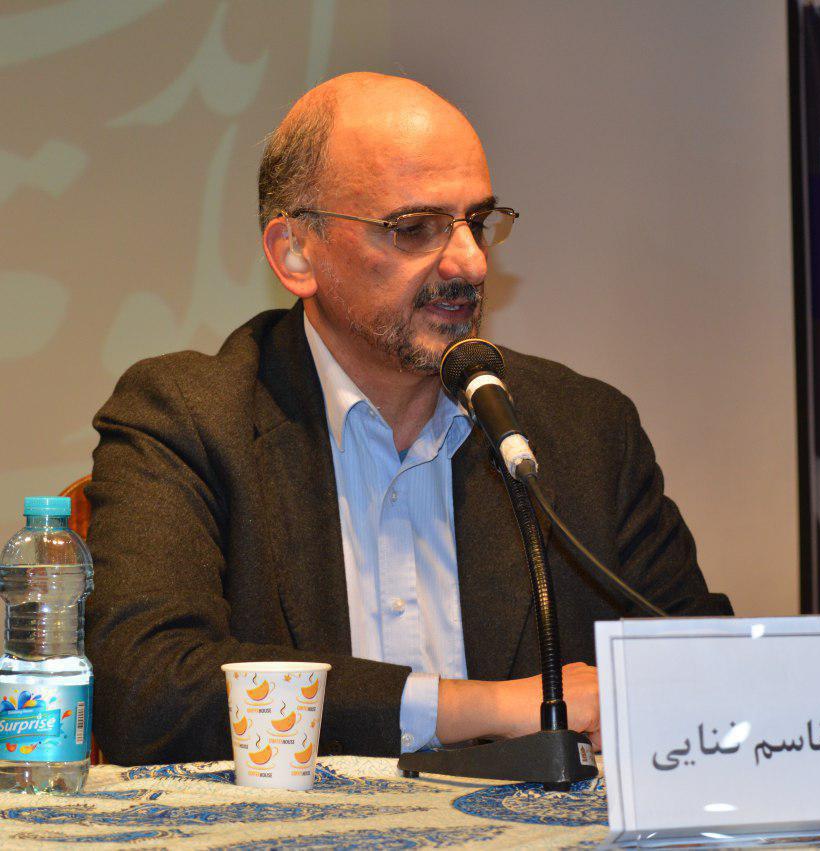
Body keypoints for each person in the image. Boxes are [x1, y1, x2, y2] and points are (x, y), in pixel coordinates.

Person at [85, 73, 731, 766]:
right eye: (415, 228)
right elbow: (146, 692)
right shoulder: (187, 417)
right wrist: (486, 707)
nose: (471, 263)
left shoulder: (582, 428)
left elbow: (712, 675)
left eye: (477, 222)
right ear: (296, 253)